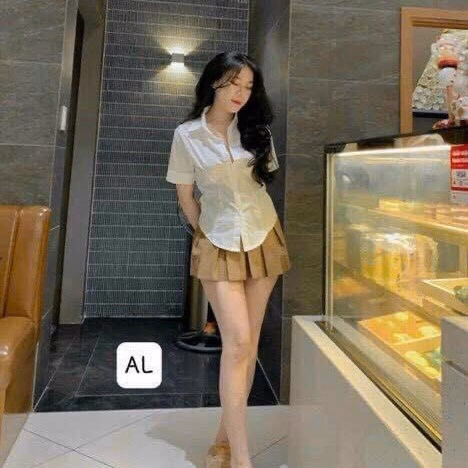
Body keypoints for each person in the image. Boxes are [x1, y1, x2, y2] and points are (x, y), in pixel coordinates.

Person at [165, 51, 292, 468]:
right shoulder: (187, 135)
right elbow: (186, 196)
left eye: (248, 86)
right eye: (233, 83)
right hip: (217, 239)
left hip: (262, 234)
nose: (240, 93)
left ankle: (223, 441)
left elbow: (263, 185)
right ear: (214, 82)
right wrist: (204, 233)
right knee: (236, 341)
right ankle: (241, 458)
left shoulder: (257, 131)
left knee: (247, 344)